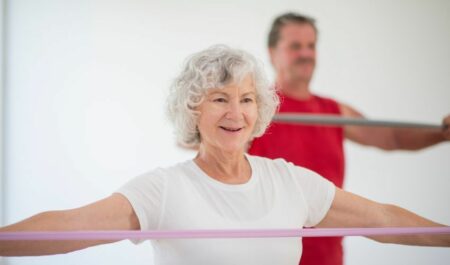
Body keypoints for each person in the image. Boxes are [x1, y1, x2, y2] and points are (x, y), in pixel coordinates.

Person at [0, 45, 449, 264]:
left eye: (247, 99)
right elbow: (69, 225)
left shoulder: (290, 181)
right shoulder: (163, 188)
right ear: (192, 109)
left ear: (261, 110)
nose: (235, 113)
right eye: (219, 98)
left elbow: (386, 220)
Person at [248, 12, 450, 265]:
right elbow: (206, 144)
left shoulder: (334, 111)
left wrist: (442, 134)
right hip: (269, 257)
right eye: (295, 46)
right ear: (272, 52)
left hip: (329, 258)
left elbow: (391, 137)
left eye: (311, 46)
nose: (306, 54)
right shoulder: (252, 110)